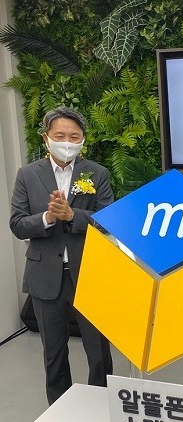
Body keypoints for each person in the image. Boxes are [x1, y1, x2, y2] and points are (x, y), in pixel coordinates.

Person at [10, 106, 113, 405]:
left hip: (89, 274)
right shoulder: (27, 175)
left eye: (74, 136)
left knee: (99, 352)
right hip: (45, 277)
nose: (67, 142)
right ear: (46, 138)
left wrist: (72, 215)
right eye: (60, 135)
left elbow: (109, 221)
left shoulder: (98, 173)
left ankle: (101, 406)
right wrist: (48, 218)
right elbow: (17, 224)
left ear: (83, 140)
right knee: (53, 353)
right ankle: (60, 410)